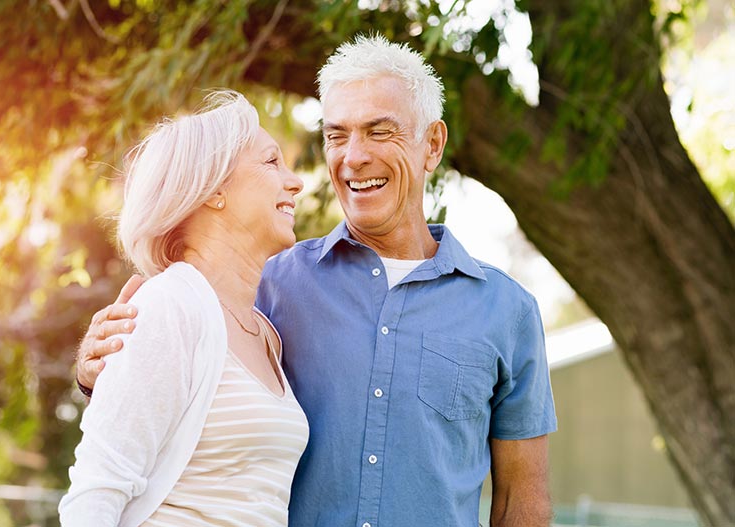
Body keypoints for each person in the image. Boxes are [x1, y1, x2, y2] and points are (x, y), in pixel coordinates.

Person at [77, 35, 557, 526]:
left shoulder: (507, 311)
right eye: (336, 135)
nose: (353, 156)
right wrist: (102, 368)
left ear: (432, 145)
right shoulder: (266, 284)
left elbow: (521, 500)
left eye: (379, 131)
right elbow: (168, 387)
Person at [59, 90, 308, 526]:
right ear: (213, 190)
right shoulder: (169, 306)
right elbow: (94, 494)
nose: (296, 182)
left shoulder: (265, 332)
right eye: (271, 162)